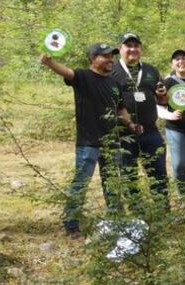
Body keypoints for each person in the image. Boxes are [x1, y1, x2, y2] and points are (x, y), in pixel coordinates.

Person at [42, 42, 133, 237]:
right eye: (106, 56)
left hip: (112, 143)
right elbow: (67, 72)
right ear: (93, 59)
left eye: (112, 56)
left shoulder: (114, 83)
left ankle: (116, 220)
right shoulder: (83, 76)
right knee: (81, 183)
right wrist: (50, 63)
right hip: (89, 142)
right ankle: (71, 223)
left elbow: (121, 108)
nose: (111, 60)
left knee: (112, 184)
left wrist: (131, 124)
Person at [111, 33, 167, 205]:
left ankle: (163, 209)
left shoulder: (151, 70)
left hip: (150, 130)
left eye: (136, 46)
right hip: (123, 134)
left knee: (158, 171)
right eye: (128, 46)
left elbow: (163, 101)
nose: (133, 49)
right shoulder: (112, 70)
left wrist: (163, 96)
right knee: (129, 174)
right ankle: (137, 211)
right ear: (120, 49)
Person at [158, 49, 185, 191]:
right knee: (179, 164)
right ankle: (182, 195)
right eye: (176, 59)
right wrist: (170, 115)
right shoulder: (167, 82)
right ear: (172, 64)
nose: (181, 61)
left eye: (184, 58)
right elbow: (158, 106)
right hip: (176, 129)